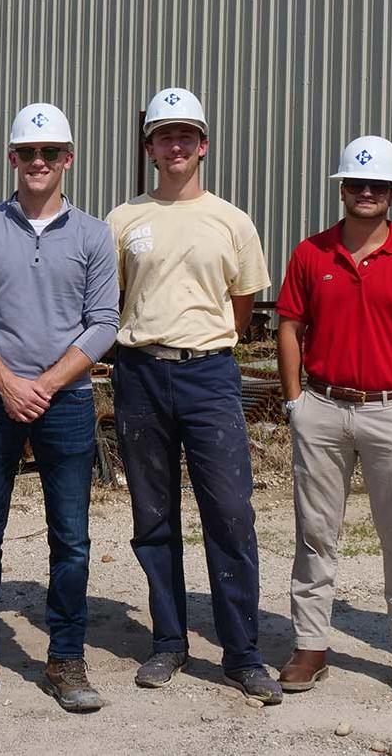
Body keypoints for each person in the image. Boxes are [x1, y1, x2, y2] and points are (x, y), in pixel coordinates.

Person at [0, 102, 119, 715]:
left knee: (71, 539)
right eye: (26, 153)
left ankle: (67, 658)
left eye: (49, 153)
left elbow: (103, 323)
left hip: (66, 403)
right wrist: (5, 381)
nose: (37, 162)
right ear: (12, 158)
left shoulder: (95, 234)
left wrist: (42, 383)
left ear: (68, 159)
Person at [106, 87, 279, 703]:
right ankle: (168, 642)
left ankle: (243, 652)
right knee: (153, 516)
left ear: (203, 145)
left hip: (209, 375)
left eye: (186, 135)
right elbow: (116, 301)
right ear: (149, 147)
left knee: (230, 513)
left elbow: (241, 304)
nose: (175, 145)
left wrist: (201, 341)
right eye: (163, 135)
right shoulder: (123, 221)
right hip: (140, 374)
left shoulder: (232, 221)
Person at [275, 134, 392, 704]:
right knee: (315, 533)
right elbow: (288, 327)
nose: (368, 193)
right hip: (323, 409)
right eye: (358, 184)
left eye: (380, 185)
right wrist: (296, 401)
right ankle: (311, 644)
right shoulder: (311, 254)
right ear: (342, 189)